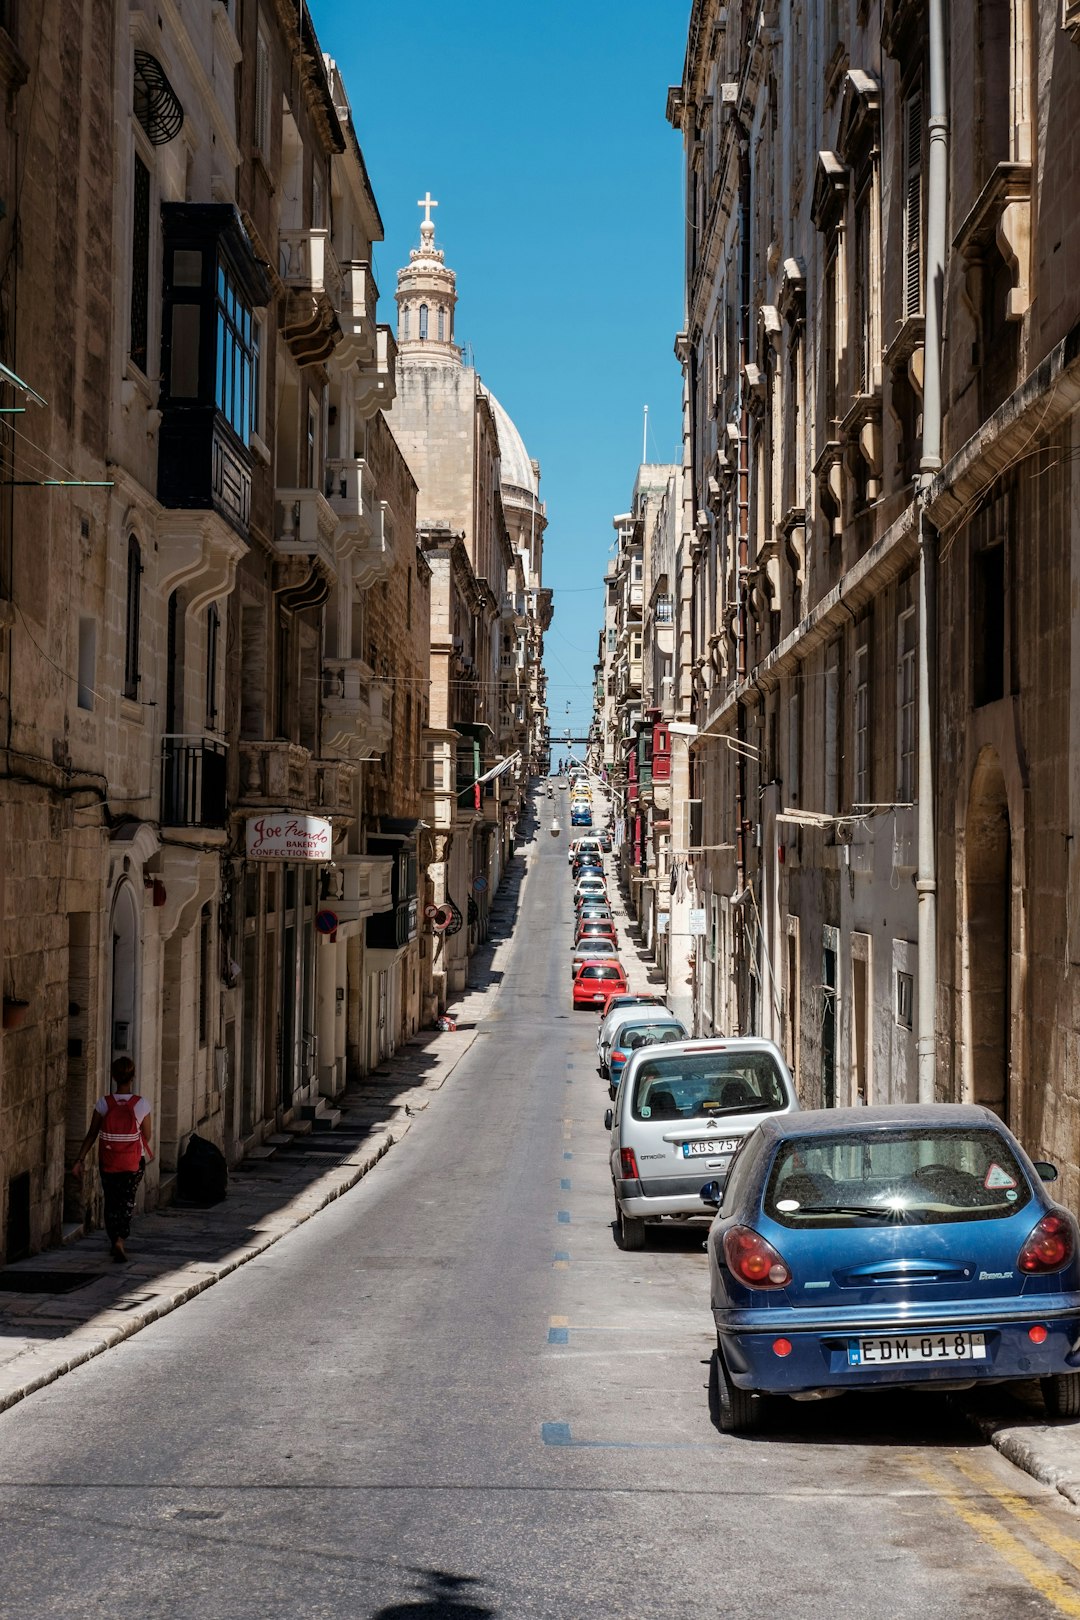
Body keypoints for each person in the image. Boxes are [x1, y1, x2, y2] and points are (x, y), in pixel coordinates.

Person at [72, 1056, 153, 1262]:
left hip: (108, 1160)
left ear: (114, 1077)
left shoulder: (103, 1103)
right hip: (133, 1162)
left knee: (111, 1200)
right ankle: (121, 1240)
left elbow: (92, 1134)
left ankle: (114, 1239)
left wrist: (79, 1159)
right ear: (132, 1077)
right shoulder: (141, 1104)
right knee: (126, 1200)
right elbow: (147, 1135)